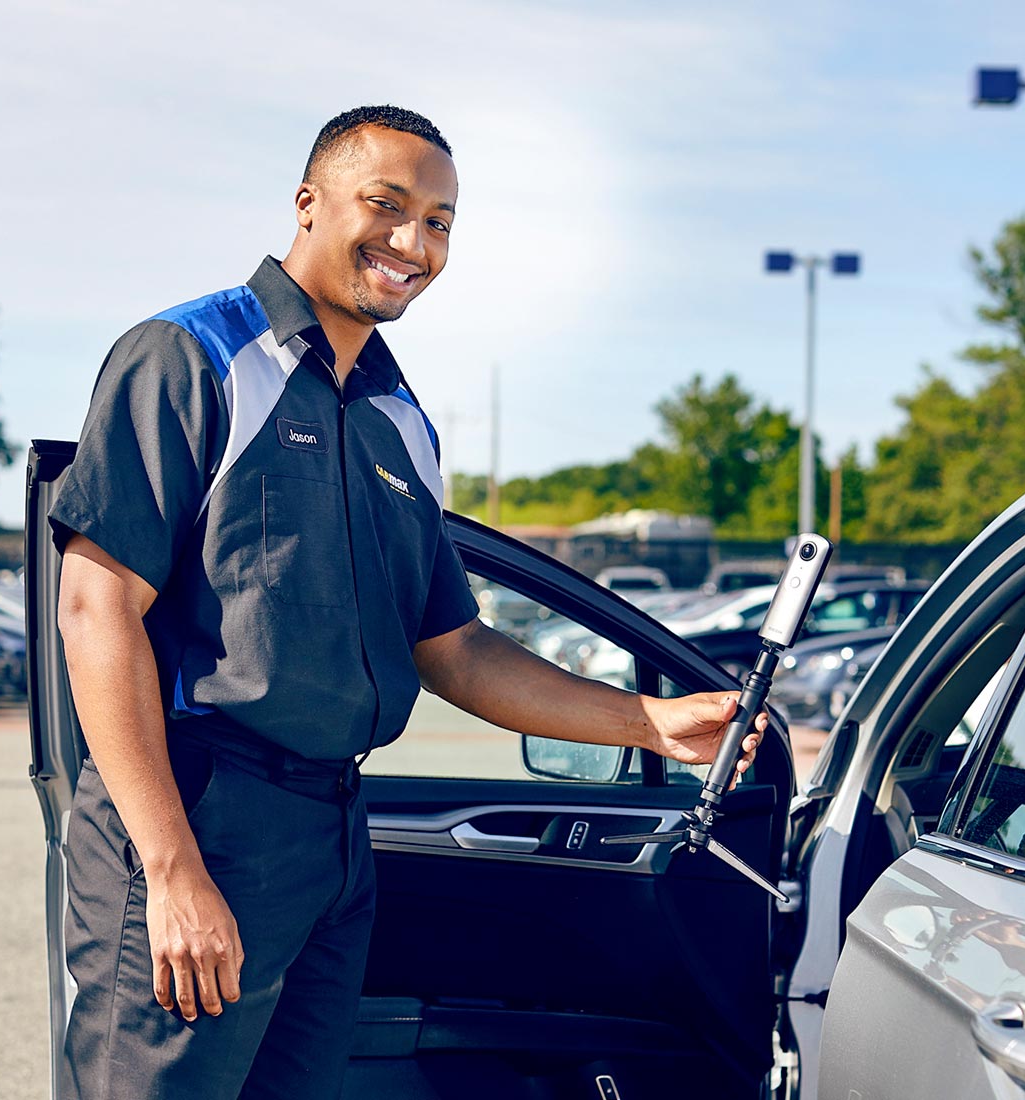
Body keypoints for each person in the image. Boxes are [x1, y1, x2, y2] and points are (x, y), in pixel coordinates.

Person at [49, 105, 767, 1100]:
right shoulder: (190, 357)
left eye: (440, 222)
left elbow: (458, 650)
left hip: (338, 830)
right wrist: (169, 864)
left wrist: (647, 720)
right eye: (387, 206)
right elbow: (95, 609)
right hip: (201, 811)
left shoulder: (400, 419)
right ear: (308, 204)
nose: (413, 243)